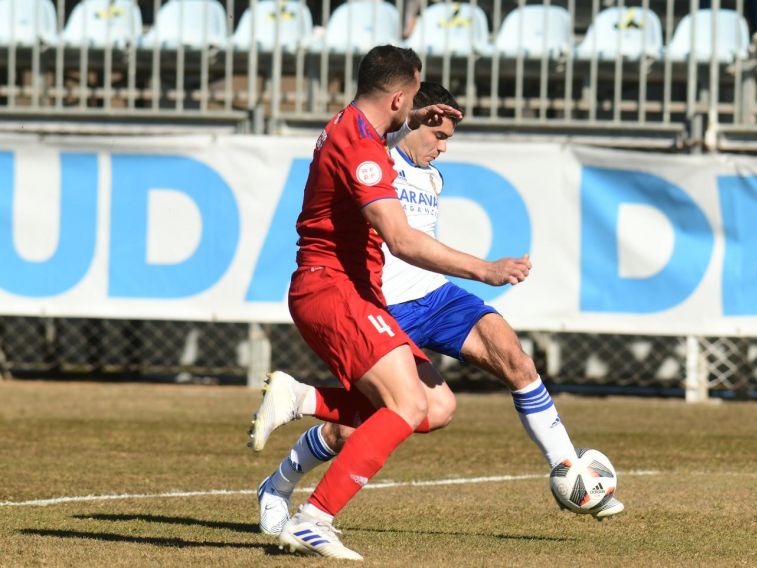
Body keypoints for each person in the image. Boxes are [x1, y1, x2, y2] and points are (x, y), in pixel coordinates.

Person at [250, 81, 624, 545]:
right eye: (439, 135)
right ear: (412, 116)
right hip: (380, 305)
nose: (444, 147)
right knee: (363, 426)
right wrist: (484, 268)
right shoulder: (376, 151)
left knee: (515, 359)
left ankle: (570, 471)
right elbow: (381, 149)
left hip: (437, 297)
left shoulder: (431, 174)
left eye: (449, 138)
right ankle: (280, 482)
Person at [248, 46, 532, 561]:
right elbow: (401, 240)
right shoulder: (360, 145)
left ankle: (304, 400)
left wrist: (414, 118)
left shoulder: (356, 124)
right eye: (414, 98)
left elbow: (380, 132)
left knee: (436, 406)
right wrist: (484, 269)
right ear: (399, 96)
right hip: (332, 289)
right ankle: (316, 518)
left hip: (354, 292)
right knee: (406, 404)